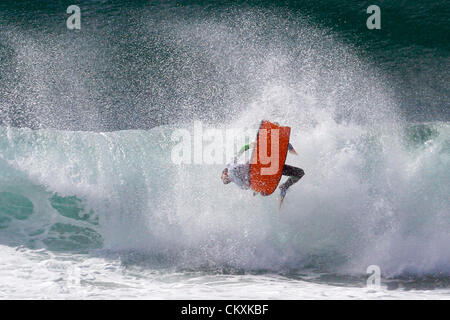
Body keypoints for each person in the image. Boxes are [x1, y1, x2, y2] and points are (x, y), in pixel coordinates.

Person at [221, 141, 304, 207]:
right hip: (266, 172)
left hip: (264, 165)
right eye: (226, 180)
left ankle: (285, 186)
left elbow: (242, 150)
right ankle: (284, 187)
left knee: (299, 173)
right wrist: (257, 188)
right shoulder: (237, 181)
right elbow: (247, 185)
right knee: (299, 173)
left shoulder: (230, 167)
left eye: (224, 177)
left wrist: (249, 146)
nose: (225, 179)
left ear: (225, 173)